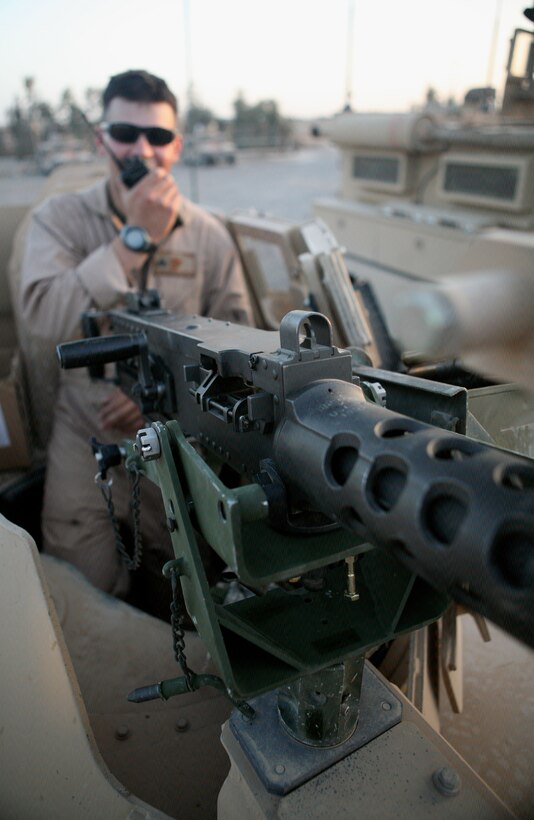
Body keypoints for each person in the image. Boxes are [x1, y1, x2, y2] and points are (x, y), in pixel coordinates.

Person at [19, 70, 253, 600]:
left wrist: (164, 391)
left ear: (178, 147)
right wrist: (133, 240)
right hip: (86, 428)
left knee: (194, 584)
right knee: (81, 593)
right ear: (102, 140)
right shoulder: (59, 221)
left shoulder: (209, 238)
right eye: (126, 134)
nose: (142, 150)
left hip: (177, 438)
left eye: (160, 137)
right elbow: (43, 323)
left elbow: (239, 349)